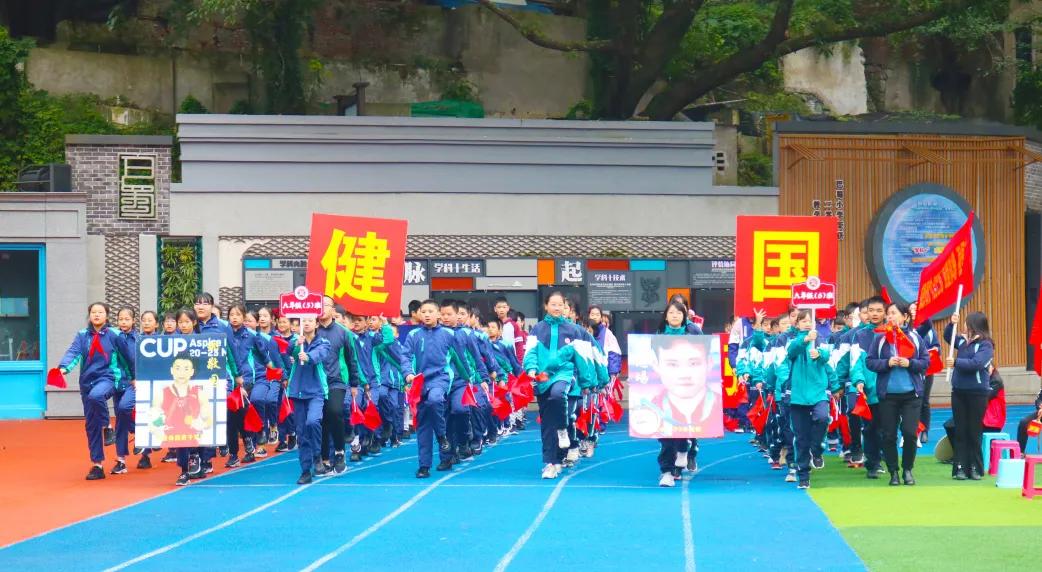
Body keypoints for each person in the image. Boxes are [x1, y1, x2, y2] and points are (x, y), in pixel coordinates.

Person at [57, 302, 136, 480]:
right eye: (94, 312)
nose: (97, 315)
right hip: (87, 382)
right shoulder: (82, 335)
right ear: (89, 315)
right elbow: (73, 353)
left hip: (109, 378)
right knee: (91, 425)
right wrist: (63, 368)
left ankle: (108, 427)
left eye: (100, 312)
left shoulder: (115, 334)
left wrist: (133, 377)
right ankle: (97, 465)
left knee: (97, 395)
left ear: (106, 316)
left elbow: (127, 358)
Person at [522, 291, 592, 480]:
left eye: (560, 304)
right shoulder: (537, 329)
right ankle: (551, 462)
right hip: (542, 378)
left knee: (558, 394)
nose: (557, 307)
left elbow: (582, 358)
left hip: (564, 374)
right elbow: (530, 353)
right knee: (546, 424)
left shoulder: (573, 330)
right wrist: (531, 369)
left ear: (564, 307)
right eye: (553, 304)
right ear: (546, 306)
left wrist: (586, 382)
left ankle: (563, 429)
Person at [401, 299, 472, 478]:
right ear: (418, 314)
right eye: (423, 311)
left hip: (440, 379)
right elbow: (405, 356)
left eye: (430, 311)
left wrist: (468, 377)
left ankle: (442, 438)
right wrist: (408, 373)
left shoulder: (448, 334)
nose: (426, 314)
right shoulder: (414, 335)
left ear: (438, 314)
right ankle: (424, 465)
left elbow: (459, 358)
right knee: (423, 424)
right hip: (419, 382)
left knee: (435, 400)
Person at [652, 302, 717, 487]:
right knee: (665, 434)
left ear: (684, 317)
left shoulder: (692, 336)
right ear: (665, 316)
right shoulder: (658, 338)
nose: (674, 316)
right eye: (671, 312)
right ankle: (666, 472)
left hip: (687, 390)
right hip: (664, 389)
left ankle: (683, 450)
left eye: (678, 313)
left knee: (682, 425)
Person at [867, 302, 929, 486]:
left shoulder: (915, 338)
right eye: (889, 314)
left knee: (910, 433)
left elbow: (925, 362)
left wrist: (909, 363)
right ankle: (893, 471)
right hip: (888, 395)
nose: (890, 317)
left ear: (905, 317)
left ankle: (908, 469)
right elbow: (870, 362)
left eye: (894, 313)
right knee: (888, 435)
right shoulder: (880, 339)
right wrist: (887, 363)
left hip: (911, 394)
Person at [785, 310, 835, 490]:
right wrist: (805, 339)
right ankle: (803, 474)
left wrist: (820, 354)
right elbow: (791, 352)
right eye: (803, 320)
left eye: (809, 320)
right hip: (798, 396)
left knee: (822, 418)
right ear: (797, 324)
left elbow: (827, 356)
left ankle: (817, 448)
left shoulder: (821, 339)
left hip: (818, 393)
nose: (807, 323)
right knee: (801, 438)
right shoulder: (794, 341)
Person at [315, 296, 364, 474]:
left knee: (335, 412)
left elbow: (352, 359)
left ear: (333, 310)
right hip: (317, 383)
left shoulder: (344, 333)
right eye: (318, 305)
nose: (321, 308)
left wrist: (354, 383)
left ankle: (339, 451)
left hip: (337, 381)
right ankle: (324, 457)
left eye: (325, 305)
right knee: (321, 420)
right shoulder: (312, 331)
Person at [943, 311, 995, 480]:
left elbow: (977, 363)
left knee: (974, 430)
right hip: (959, 391)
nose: (964, 325)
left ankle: (974, 467)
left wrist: (956, 362)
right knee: (961, 430)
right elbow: (948, 337)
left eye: (965, 323)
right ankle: (959, 467)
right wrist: (952, 323)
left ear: (973, 325)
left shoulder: (986, 345)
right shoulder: (963, 341)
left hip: (977, 392)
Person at [285, 315, 332, 485]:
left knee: (313, 422)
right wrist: (295, 344)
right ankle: (305, 470)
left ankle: (317, 455)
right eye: (303, 321)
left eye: (310, 321)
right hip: (297, 391)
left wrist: (309, 357)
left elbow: (320, 355)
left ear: (316, 324)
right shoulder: (298, 341)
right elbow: (288, 351)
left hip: (316, 392)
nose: (306, 323)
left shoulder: (323, 342)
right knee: (302, 432)